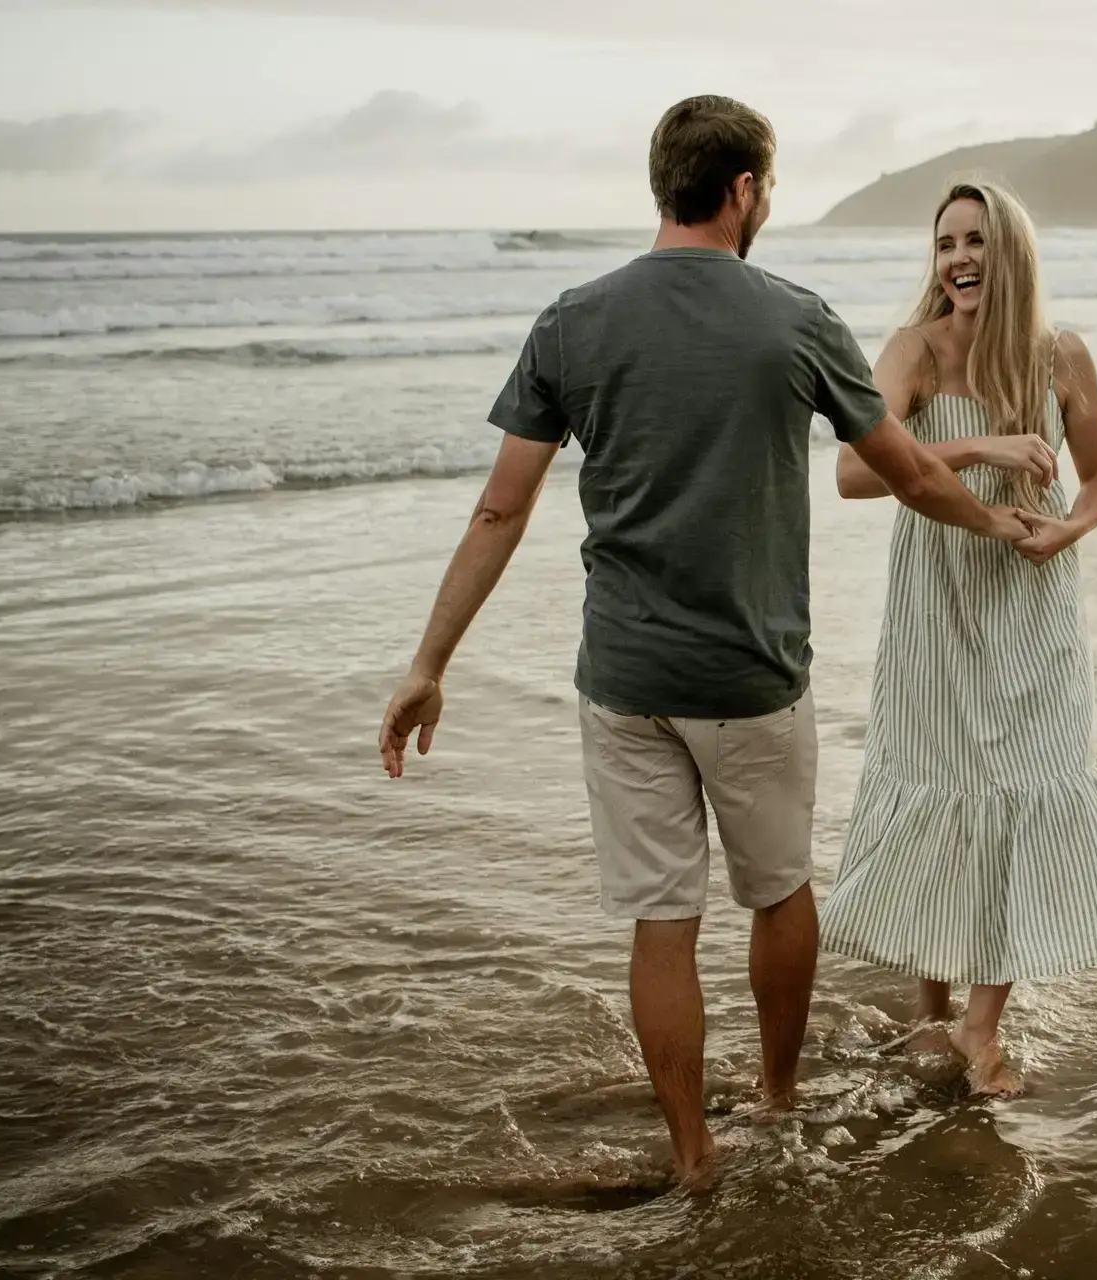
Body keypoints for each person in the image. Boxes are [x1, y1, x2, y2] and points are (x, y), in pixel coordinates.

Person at [375, 100, 1028, 1182]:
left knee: (661, 925)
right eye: (766, 189)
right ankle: (775, 1100)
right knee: (778, 892)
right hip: (754, 678)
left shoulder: (571, 321)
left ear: (661, 187)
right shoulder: (796, 318)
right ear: (744, 192)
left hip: (625, 682)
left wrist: (428, 664)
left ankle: (692, 1153)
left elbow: (500, 510)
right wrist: (997, 517)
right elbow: (907, 470)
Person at [820, 181, 1097, 1096]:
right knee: (937, 784)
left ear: (1010, 252)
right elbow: (856, 472)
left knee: (1022, 787)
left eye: (975, 240)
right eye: (945, 245)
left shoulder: (1061, 356)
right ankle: (929, 1013)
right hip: (939, 600)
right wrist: (984, 448)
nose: (959, 259)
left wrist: (1070, 529)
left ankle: (981, 1028)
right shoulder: (915, 351)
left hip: (1031, 595)